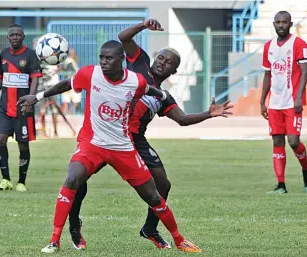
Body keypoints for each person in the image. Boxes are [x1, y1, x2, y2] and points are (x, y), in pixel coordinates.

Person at [17, 40, 202, 253]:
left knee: (154, 195)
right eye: (101, 58)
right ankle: (57, 238)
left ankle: (178, 240)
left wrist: (164, 96)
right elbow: (67, 84)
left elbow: (151, 90)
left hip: (123, 146)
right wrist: (38, 96)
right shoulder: (90, 73)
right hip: (93, 143)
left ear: (121, 61)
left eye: (109, 58)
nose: (104, 62)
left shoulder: (135, 80)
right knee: (73, 178)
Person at [66, 19, 234, 250]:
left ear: (174, 71)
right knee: (78, 178)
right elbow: (124, 37)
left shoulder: (163, 96)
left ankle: (150, 229)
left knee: (163, 184)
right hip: (108, 133)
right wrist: (143, 26)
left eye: (168, 63)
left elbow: (182, 120)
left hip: (135, 140)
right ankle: (74, 223)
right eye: (161, 57)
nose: (162, 63)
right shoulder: (140, 62)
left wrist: (209, 113)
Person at [260, 11, 307, 194]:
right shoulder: (268, 47)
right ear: (274, 24)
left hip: (292, 102)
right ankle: (281, 184)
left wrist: (299, 97)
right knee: (277, 141)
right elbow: (267, 74)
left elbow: (305, 72)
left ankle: (306, 169)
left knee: (293, 141)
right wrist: (262, 101)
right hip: (274, 103)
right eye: (278, 22)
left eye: (284, 22)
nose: (281, 25)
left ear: (290, 24)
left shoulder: (299, 44)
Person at [0, 24, 42, 192]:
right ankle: (5, 180)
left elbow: (35, 79)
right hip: (4, 107)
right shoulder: (3, 54)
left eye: (18, 34)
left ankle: (21, 182)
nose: (15, 37)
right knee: (1, 139)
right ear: (8, 37)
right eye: (12, 35)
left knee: (23, 145)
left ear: (23, 36)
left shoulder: (31, 55)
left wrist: (30, 101)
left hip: (23, 109)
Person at [61, 48, 82, 115]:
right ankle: (70, 111)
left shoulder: (69, 61)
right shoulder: (69, 61)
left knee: (67, 99)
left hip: (67, 82)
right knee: (74, 98)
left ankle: (68, 112)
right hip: (72, 82)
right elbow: (70, 69)